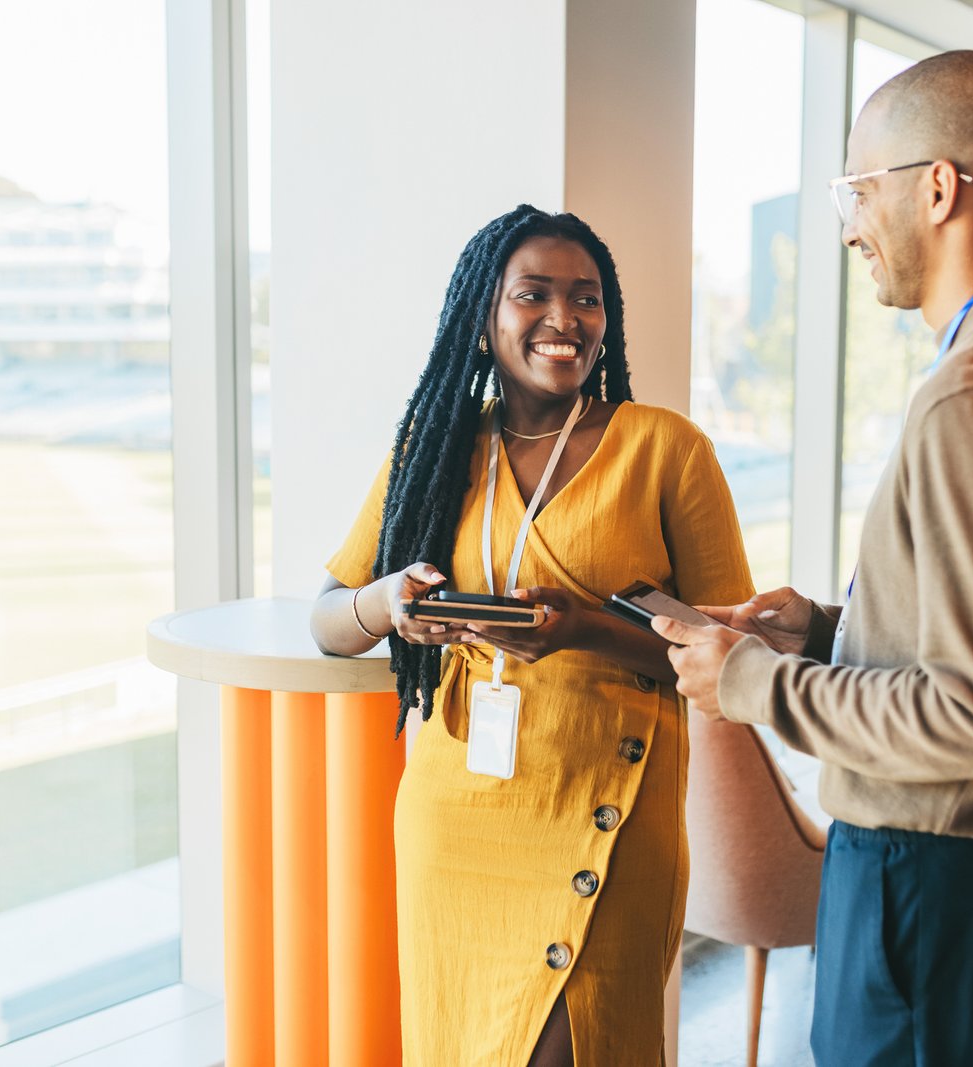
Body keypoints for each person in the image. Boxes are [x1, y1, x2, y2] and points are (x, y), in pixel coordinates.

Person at [653, 51, 973, 1066]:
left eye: (857, 190)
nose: (847, 225)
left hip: (934, 887)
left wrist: (754, 682)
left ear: (938, 187)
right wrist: (829, 632)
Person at [310, 204, 753, 1067]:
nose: (566, 318)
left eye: (587, 298)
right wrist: (389, 603)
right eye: (534, 294)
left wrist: (586, 629)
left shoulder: (667, 449)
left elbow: (733, 654)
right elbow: (329, 617)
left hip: (607, 818)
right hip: (458, 821)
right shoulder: (436, 450)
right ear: (485, 315)